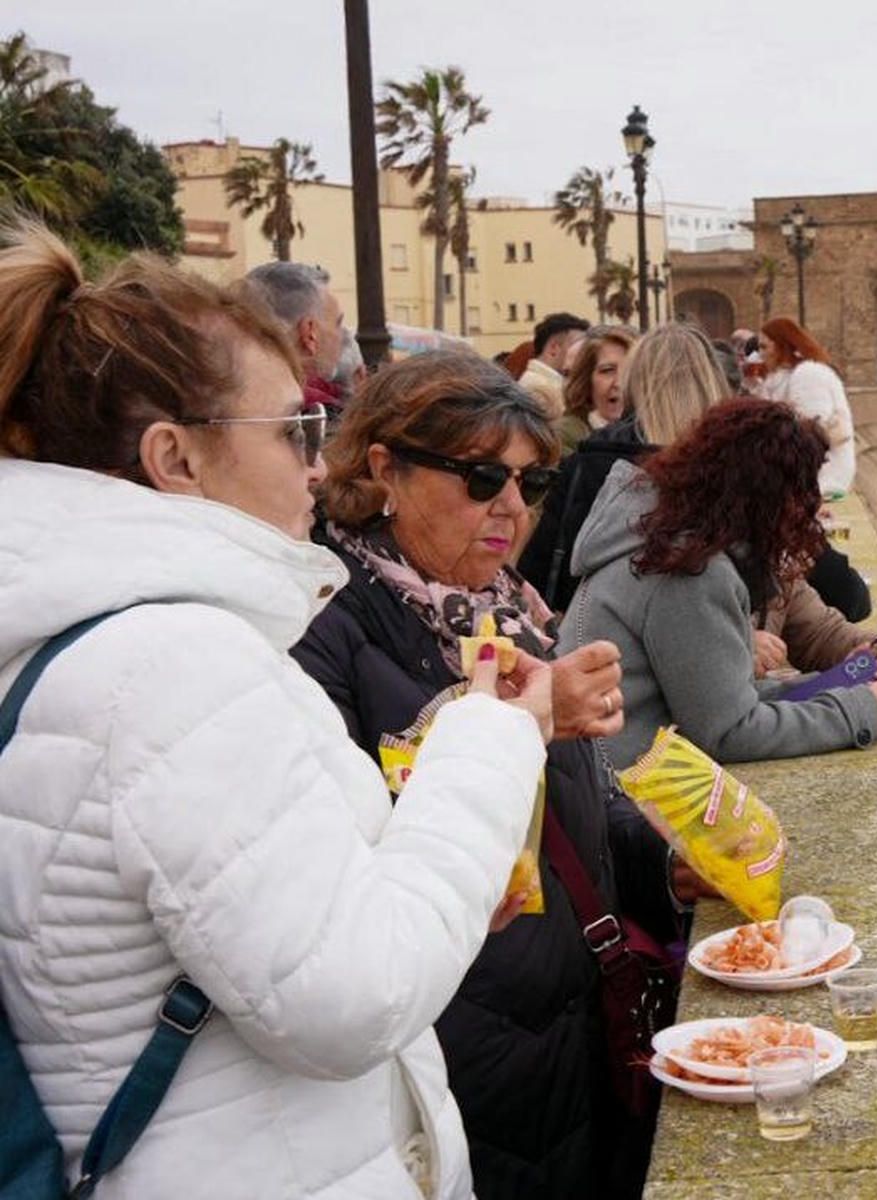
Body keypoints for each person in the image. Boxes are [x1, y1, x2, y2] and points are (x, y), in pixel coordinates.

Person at [0, 220, 551, 1199]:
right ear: (177, 459)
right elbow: (350, 995)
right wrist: (494, 733)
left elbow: (245, 919)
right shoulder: (172, 664)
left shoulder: (73, 640)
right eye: (294, 429)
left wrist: (436, 871)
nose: (313, 465)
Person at [291, 351, 697, 1200]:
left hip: (567, 1022)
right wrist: (524, 722)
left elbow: (566, 809)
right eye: (482, 479)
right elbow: (344, 856)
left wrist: (668, 863)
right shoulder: (323, 632)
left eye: (531, 483)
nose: (512, 508)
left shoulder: (507, 607)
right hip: (456, 1042)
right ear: (383, 470)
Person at [566, 397, 877, 764]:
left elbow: (723, 701)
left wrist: (848, 685)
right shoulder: (689, 573)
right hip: (622, 782)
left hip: (605, 766)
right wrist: (855, 713)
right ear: (762, 495)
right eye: (800, 491)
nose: (812, 506)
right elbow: (729, 731)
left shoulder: (668, 542)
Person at [519, 322, 727, 612]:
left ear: (636, 381)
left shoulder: (592, 461)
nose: (616, 381)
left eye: (622, 370)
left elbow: (542, 570)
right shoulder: (734, 466)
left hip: (601, 635)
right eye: (606, 370)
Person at [754, 317, 871, 621]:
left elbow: (810, 436)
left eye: (766, 346)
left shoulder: (807, 375)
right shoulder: (793, 375)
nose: (761, 353)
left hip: (824, 476)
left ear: (783, 344)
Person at [238, 260, 348, 414]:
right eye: (338, 323)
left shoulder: (219, 401)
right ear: (310, 333)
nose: (343, 336)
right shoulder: (319, 414)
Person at [556, 324, 636, 453]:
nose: (620, 383)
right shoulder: (564, 438)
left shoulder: (655, 433)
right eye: (608, 370)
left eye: (630, 370)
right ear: (586, 379)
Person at [519, 312, 589, 418]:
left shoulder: (549, 385)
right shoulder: (537, 390)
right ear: (553, 349)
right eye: (578, 346)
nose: (584, 353)